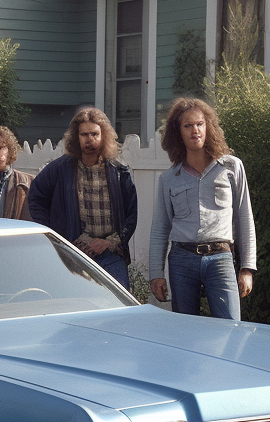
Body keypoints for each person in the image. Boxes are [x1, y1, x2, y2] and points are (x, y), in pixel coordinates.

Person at [149, 97, 256, 320]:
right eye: (187, 126)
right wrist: (156, 274)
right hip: (182, 260)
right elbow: (160, 227)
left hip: (221, 258)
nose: (195, 130)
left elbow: (244, 218)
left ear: (208, 126)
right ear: (177, 132)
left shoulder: (231, 167)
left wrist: (247, 269)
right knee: (185, 331)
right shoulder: (169, 178)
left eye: (199, 124)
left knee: (230, 327)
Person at [28, 107, 137, 288]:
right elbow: (35, 197)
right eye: (84, 134)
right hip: (74, 255)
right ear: (76, 138)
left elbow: (131, 212)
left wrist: (110, 242)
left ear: (104, 136)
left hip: (112, 254)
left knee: (119, 310)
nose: (90, 140)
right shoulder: (60, 168)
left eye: (95, 134)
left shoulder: (119, 171)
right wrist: (56, 234)